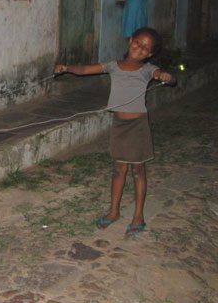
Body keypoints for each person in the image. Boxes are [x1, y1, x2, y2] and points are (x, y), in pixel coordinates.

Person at [54, 27, 172, 236]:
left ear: (150, 54)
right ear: (130, 41)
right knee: (118, 170)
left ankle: (138, 215)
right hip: (119, 126)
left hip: (138, 126)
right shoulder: (113, 66)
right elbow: (85, 69)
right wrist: (67, 67)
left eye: (146, 48)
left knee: (138, 170)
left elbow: (159, 74)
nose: (140, 48)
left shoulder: (146, 69)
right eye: (138, 43)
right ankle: (114, 211)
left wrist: (165, 76)